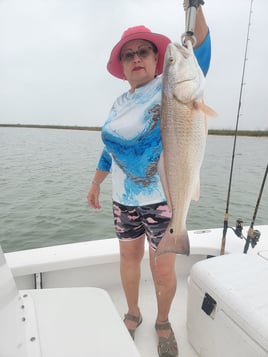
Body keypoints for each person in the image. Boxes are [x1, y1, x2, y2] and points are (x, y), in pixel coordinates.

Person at [87, 3, 211, 357]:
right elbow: (109, 149)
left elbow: (200, 50)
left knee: (162, 267)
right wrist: (96, 182)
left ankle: (163, 321)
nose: (136, 58)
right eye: (129, 54)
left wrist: (194, 8)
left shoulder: (171, 86)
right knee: (128, 258)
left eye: (144, 51)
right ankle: (133, 313)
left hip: (162, 198)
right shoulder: (118, 102)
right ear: (122, 66)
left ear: (158, 59)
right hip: (123, 200)